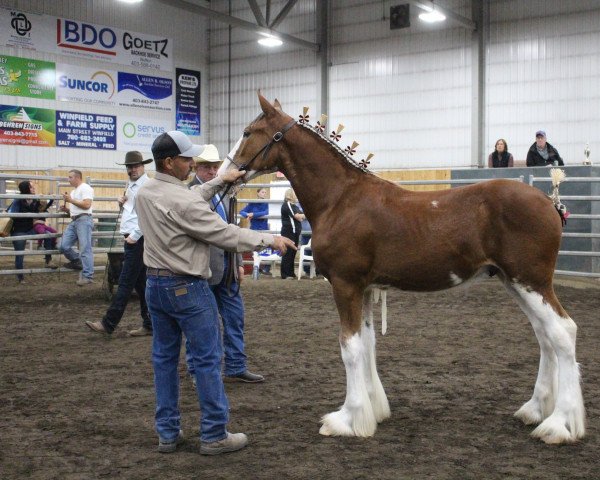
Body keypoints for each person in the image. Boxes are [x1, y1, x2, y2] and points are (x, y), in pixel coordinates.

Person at [135, 130, 295, 455]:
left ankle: (167, 433)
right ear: (169, 162)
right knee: (208, 359)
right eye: (185, 159)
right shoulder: (183, 201)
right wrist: (270, 240)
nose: (191, 163)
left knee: (164, 360)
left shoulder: (145, 191)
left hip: (155, 285)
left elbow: (192, 197)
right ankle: (214, 433)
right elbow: (225, 234)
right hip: (188, 287)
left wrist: (221, 180)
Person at [186, 145, 264, 383]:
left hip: (227, 267)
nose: (211, 171)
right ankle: (196, 369)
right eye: (207, 167)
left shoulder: (226, 193)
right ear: (196, 168)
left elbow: (232, 230)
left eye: (214, 167)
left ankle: (236, 365)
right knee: (201, 324)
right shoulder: (191, 194)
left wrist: (238, 261)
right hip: (203, 269)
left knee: (234, 318)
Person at [85, 151, 153, 337]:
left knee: (125, 282)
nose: (132, 169)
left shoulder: (145, 186)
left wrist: (136, 235)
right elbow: (133, 212)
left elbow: (148, 215)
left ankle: (109, 323)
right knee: (141, 284)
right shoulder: (132, 185)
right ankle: (150, 324)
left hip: (136, 238)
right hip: (132, 237)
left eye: (135, 166)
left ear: (142, 166)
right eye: (129, 166)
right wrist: (121, 204)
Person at [10, 181, 57, 283]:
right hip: (18, 230)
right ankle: (20, 277)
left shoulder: (34, 199)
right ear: (26, 189)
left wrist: (49, 200)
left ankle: (48, 260)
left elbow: (41, 209)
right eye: (31, 187)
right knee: (20, 254)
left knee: (48, 235)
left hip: (30, 229)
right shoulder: (18, 200)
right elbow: (12, 214)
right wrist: (28, 214)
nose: (34, 188)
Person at [59, 169, 94, 286]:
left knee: (85, 248)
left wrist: (71, 200)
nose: (68, 180)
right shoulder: (74, 192)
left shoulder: (85, 188)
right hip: (75, 220)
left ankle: (88, 275)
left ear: (77, 177)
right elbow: (78, 208)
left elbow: (87, 205)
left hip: (83, 220)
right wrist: (67, 209)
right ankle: (77, 261)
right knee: (63, 246)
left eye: (70, 177)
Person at [239, 187, 271, 274]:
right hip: (254, 228)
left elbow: (266, 212)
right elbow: (242, 212)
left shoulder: (267, 203)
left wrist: (253, 214)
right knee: (254, 248)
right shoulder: (252, 203)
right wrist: (247, 215)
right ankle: (254, 267)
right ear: (258, 193)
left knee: (266, 247)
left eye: (265, 192)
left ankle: (266, 269)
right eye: (262, 192)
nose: (264, 194)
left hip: (264, 228)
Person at [280, 188, 305, 280]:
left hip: (295, 232)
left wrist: (301, 216)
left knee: (293, 252)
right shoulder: (287, 205)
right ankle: (285, 273)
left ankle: (290, 272)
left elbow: (300, 217)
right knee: (288, 252)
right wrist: (302, 215)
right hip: (289, 231)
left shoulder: (294, 206)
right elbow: (297, 216)